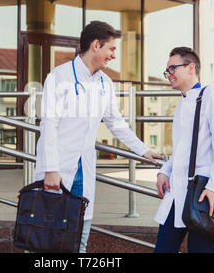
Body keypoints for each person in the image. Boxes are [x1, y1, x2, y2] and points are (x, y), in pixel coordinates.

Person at [35, 21, 164, 253]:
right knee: (49, 240)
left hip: (83, 170)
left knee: (79, 240)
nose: (113, 55)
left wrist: (143, 150)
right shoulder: (59, 77)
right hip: (58, 169)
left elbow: (116, 122)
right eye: (111, 49)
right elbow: (49, 125)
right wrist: (50, 168)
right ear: (96, 45)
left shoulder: (105, 83)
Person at [154, 46, 214, 253]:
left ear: (191, 67)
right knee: (163, 249)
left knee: (200, 250)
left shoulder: (211, 95)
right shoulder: (181, 105)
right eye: (167, 71)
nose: (168, 74)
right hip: (178, 191)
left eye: (173, 69)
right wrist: (165, 171)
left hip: (203, 193)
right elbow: (182, 149)